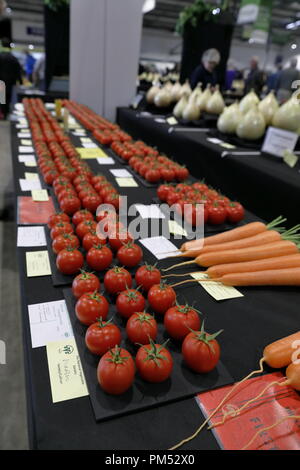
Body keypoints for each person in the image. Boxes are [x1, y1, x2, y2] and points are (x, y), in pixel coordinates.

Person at [0, 38, 22, 119]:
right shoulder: (13, 58)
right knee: (8, 98)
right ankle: (5, 114)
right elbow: (18, 71)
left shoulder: (0, 56)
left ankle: (2, 113)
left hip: (1, 81)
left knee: (1, 98)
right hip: (10, 82)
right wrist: (20, 81)